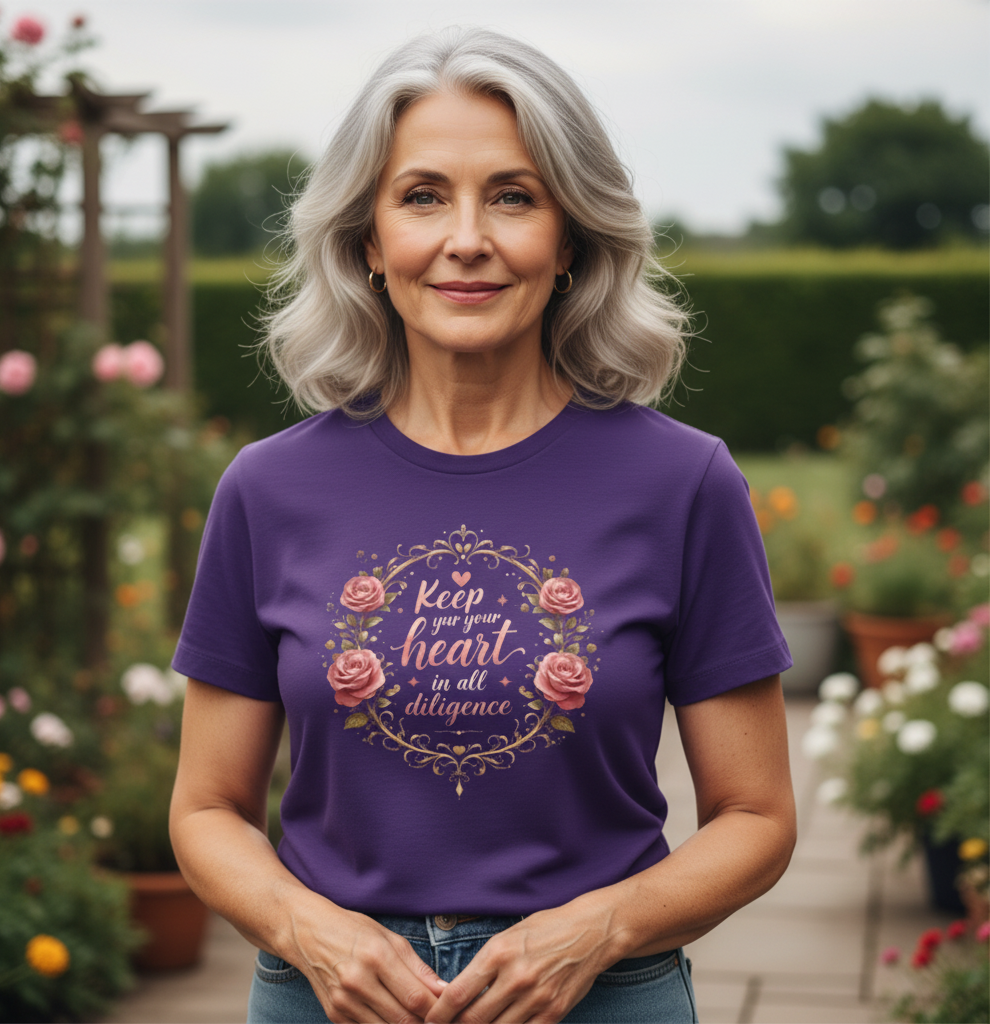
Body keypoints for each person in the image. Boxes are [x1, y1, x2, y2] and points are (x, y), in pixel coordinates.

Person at [170, 26, 797, 1024]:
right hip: (329, 997)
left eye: (513, 195)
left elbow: (756, 817)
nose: (468, 237)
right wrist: (302, 926)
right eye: (423, 196)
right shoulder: (267, 489)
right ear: (369, 241)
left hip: (599, 995)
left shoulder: (683, 482)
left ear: (571, 238)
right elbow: (205, 808)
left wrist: (600, 927)